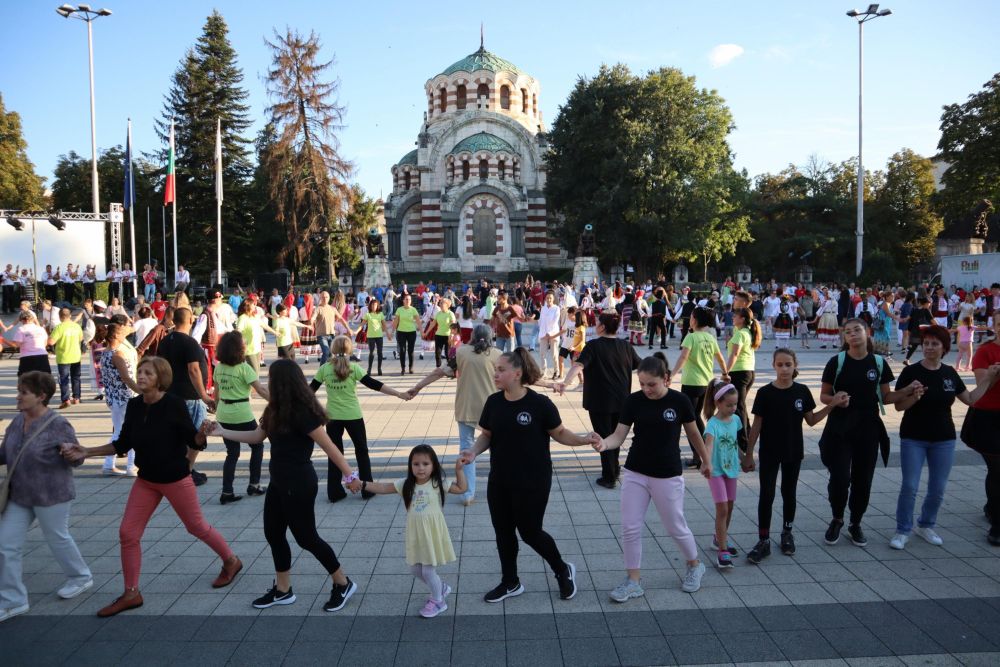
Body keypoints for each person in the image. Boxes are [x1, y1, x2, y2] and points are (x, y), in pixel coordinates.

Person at [62, 356, 242, 617]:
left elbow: (193, 439)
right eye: (140, 371)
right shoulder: (134, 406)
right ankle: (131, 592)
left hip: (175, 479)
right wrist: (86, 451)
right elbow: (122, 444)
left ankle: (231, 560)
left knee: (196, 527)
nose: (142, 376)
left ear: (161, 379)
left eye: (148, 373)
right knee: (128, 533)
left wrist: (202, 433)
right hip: (146, 481)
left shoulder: (173, 405)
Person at [207, 359, 364, 611]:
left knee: (307, 538)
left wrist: (350, 476)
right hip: (279, 483)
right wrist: (222, 431)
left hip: (299, 483)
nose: (268, 383)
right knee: (273, 533)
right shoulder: (275, 409)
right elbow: (257, 436)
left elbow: (329, 446)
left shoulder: (302, 412)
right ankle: (283, 590)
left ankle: (342, 583)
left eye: (271, 379)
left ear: (282, 382)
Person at [458, 348, 597, 603]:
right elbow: (487, 435)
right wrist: (473, 452)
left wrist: (584, 440)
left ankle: (562, 569)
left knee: (530, 532)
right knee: (503, 532)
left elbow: (560, 433)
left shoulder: (540, 404)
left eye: (501, 370)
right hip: (500, 479)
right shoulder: (494, 402)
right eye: (496, 369)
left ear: (517, 373)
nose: (495, 374)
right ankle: (510, 582)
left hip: (533, 479)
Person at [592, 353, 709, 601]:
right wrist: (604, 444)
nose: (646, 389)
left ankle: (694, 564)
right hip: (635, 472)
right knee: (630, 527)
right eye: (642, 384)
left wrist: (705, 460)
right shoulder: (633, 401)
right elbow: (619, 435)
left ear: (666, 378)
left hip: (667, 474)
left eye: (651, 384)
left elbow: (694, 434)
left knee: (675, 526)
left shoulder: (680, 401)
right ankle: (633, 581)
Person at [890, 325, 998, 550]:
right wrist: (914, 396)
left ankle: (926, 525)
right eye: (926, 343)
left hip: (944, 439)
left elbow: (970, 399)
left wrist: (987, 379)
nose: (929, 348)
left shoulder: (949, 372)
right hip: (913, 437)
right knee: (909, 486)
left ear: (944, 348)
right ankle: (902, 529)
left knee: (937, 488)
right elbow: (899, 406)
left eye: (934, 344)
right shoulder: (911, 372)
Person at [0, 372, 93, 624]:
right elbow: (6, 452)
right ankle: (13, 601)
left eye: (23, 392)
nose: (17, 396)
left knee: (57, 537)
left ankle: (81, 576)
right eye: (19, 390)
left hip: (52, 493)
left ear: (41, 397)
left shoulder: (57, 424)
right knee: (5, 545)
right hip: (20, 494)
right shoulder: (18, 421)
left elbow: (79, 457)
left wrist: (69, 453)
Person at [819, 318, 915, 548]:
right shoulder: (837, 362)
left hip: (868, 428)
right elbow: (824, 396)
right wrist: (835, 400)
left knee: (863, 480)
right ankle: (837, 518)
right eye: (848, 332)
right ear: (844, 337)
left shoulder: (879, 363)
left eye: (857, 330)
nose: (853, 334)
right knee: (840, 477)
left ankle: (855, 522)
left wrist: (907, 391)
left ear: (867, 332)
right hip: (840, 427)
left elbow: (886, 397)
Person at [744, 349, 842, 563]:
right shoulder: (765, 393)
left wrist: (832, 405)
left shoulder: (802, 391)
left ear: (795, 365)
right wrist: (749, 453)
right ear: (773, 366)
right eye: (780, 364)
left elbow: (812, 420)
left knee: (789, 493)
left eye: (788, 364)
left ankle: (787, 533)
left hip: (793, 451)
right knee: (767, 495)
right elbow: (756, 425)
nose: (784, 369)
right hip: (769, 452)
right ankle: (763, 540)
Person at [361, 445, 467, 618]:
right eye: (416, 464)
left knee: (427, 571)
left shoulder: (437, 483)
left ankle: (438, 601)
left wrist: (459, 470)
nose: (421, 468)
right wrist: (362, 484)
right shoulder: (405, 484)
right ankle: (441, 588)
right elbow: (382, 488)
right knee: (415, 570)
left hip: (432, 533)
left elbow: (462, 488)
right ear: (410, 466)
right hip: (416, 534)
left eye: (426, 463)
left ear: (434, 465)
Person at [408, 324, 502, 506]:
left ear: (473, 336)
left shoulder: (461, 352)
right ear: (492, 336)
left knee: (466, 449)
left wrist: (418, 387)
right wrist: (549, 384)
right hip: (492, 410)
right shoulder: (498, 355)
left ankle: (468, 493)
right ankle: (498, 490)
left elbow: (439, 372)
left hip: (466, 407)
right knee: (496, 451)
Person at [311, 335, 411, 503]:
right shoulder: (354, 368)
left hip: (332, 417)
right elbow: (375, 384)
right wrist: (399, 394)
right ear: (349, 349)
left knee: (334, 454)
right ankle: (367, 490)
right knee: (362, 452)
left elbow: (309, 391)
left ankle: (334, 492)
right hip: (353, 416)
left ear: (333, 349)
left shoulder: (324, 369)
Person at [555, 311, 641, 488]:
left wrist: (565, 382)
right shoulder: (625, 346)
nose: (595, 326)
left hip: (600, 401)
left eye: (598, 323)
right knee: (615, 436)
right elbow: (641, 365)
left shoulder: (593, 346)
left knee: (602, 436)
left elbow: (579, 365)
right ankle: (614, 468)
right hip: (622, 401)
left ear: (602, 327)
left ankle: (609, 476)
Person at [156, 308, 214, 486]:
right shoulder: (189, 342)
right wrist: (204, 395)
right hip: (190, 395)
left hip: (172, 394)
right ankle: (186, 470)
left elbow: (160, 367)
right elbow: (193, 369)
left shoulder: (166, 341)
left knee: (179, 435)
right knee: (198, 434)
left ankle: (183, 467)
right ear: (190, 321)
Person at [213, 331, 270, 505]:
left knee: (232, 453)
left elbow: (216, 394)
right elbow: (260, 390)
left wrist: (217, 409)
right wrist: (278, 403)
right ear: (238, 349)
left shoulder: (219, 367)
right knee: (257, 446)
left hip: (223, 412)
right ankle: (254, 484)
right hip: (242, 414)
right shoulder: (244, 368)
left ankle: (227, 491)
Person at [672, 307, 730, 467]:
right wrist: (725, 373)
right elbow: (720, 358)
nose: (689, 319)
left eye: (690, 317)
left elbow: (683, 357)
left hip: (691, 383)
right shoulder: (711, 338)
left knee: (690, 419)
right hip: (706, 384)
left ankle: (700, 454)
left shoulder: (691, 337)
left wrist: (671, 375)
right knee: (696, 417)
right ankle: (702, 452)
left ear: (695, 320)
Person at [961, 314, 1000, 545]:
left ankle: (992, 506)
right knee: (997, 469)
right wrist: (994, 375)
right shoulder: (986, 352)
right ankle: (997, 524)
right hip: (988, 417)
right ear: (994, 327)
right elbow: (981, 387)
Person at [701, 381, 742, 569]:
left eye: (735, 404)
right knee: (722, 509)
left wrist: (746, 457)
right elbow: (708, 446)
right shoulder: (712, 424)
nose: (733, 408)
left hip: (731, 468)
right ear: (718, 403)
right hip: (716, 471)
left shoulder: (736, 420)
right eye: (729, 405)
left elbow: (735, 444)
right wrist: (706, 463)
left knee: (730, 507)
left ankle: (719, 538)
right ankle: (722, 551)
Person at [99, 323, 141, 476]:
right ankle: (132, 466)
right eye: (122, 333)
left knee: (119, 431)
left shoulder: (105, 353)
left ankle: (110, 464)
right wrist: (142, 392)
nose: (125, 335)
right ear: (115, 336)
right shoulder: (118, 354)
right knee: (130, 431)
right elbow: (127, 378)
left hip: (114, 398)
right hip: (126, 397)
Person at [725, 307, 761, 451]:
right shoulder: (747, 332)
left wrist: (725, 372)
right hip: (748, 372)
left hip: (739, 372)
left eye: (736, 316)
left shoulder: (741, 334)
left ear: (743, 319)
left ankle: (744, 443)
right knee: (741, 407)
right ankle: (748, 437)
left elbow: (734, 354)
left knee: (738, 408)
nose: (733, 318)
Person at [48, 307, 84, 409]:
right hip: (76, 356)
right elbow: (81, 338)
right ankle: (76, 397)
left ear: (60, 317)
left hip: (63, 357)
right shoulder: (77, 326)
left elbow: (51, 342)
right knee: (76, 377)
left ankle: (66, 400)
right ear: (70, 316)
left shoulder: (59, 327)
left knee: (63, 379)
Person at [4, 311, 51, 375]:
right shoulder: (41, 329)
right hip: (42, 356)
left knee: (26, 380)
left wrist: (3, 340)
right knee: (44, 379)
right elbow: (45, 343)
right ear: (33, 319)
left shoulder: (21, 329)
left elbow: (15, 345)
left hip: (27, 357)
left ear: (22, 320)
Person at [392, 293, 420, 374]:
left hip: (412, 332)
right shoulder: (399, 310)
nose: (408, 301)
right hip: (401, 332)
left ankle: (411, 368)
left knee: (411, 351)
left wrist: (422, 332)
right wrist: (392, 332)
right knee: (402, 350)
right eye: (406, 299)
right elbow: (396, 322)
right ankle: (403, 368)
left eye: (409, 299)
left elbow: (418, 321)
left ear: (411, 301)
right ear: (403, 301)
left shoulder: (413, 310)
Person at [537, 291, 562, 378]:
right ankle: (544, 371)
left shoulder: (556, 308)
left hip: (553, 333)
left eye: (550, 298)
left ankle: (556, 371)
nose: (549, 300)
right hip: (543, 333)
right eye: (547, 298)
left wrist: (550, 333)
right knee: (542, 353)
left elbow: (555, 322)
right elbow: (541, 321)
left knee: (554, 354)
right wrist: (541, 332)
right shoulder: (543, 308)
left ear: (553, 299)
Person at [362, 299, 387, 375]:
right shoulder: (367, 315)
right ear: (370, 306)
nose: (374, 306)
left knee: (380, 353)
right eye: (372, 305)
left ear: (377, 306)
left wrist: (388, 333)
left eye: (375, 305)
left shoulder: (380, 314)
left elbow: (384, 325)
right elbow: (362, 324)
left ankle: (379, 369)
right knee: (371, 353)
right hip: (371, 336)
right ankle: (369, 369)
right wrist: (356, 331)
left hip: (379, 336)